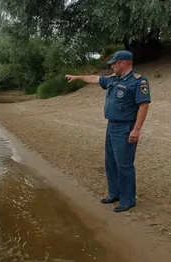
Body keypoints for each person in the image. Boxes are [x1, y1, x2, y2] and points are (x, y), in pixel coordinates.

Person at [65, 50, 151, 212]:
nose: (112, 66)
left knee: (124, 164)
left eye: (114, 63)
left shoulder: (138, 81)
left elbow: (143, 105)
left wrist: (136, 129)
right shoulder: (113, 79)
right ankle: (115, 194)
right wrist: (78, 77)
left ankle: (128, 200)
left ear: (122, 63)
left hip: (126, 127)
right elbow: (96, 79)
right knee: (111, 162)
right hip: (111, 125)